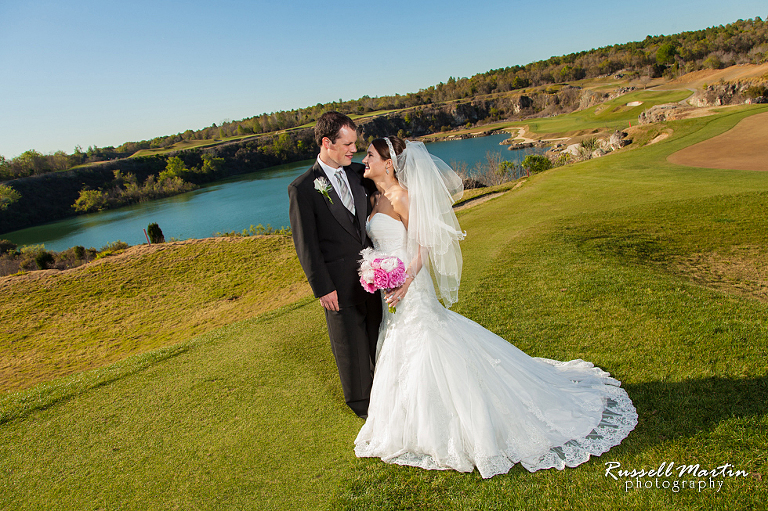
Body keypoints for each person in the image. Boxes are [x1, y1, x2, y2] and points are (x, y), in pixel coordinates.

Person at [354, 136, 637, 478]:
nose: (364, 159)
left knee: (426, 339)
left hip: (410, 286)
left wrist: (407, 279)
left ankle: (448, 425)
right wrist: (375, 270)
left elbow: (424, 243)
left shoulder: (403, 197)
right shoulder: (375, 197)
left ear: (389, 163)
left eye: (369, 154)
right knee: (400, 341)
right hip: (390, 287)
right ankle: (404, 423)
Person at [288, 112, 382, 419]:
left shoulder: (359, 174)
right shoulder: (303, 188)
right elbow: (306, 244)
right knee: (350, 348)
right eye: (348, 144)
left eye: (355, 143)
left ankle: (387, 395)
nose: (354, 149)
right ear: (327, 142)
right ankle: (362, 407)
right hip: (338, 285)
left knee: (379, 338)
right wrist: (322, 287)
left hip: (374, 277)